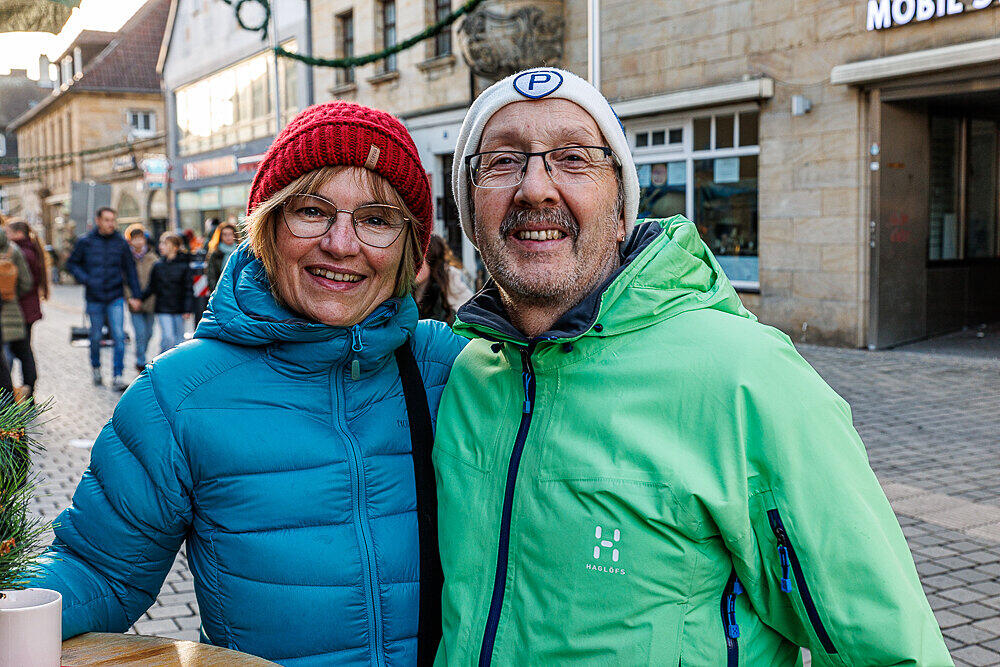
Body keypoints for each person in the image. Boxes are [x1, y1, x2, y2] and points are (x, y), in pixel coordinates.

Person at [433, 68, 952, 665]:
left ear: (622, 208)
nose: (536, 188)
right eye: (503, 161)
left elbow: (884, 646)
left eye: (574, 158)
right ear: (471, 209)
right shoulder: (468, 376)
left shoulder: (747, 378)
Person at [24, 102, 466, 665]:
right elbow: (99, 570)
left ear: (409, 247)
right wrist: (20, 605)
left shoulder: (444, 367)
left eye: (377, 220)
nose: (342, 244)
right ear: (267, 228)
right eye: (312, 211)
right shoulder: (180, 393)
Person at [65, 207, 142, 391]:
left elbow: (130, 270)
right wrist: (86, 279)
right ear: (98, 220)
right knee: (96, 336)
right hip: (94, 297)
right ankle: (96, 367)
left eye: (113, 220)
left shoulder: (121, 243)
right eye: (107, 220)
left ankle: (117, 375)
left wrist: (136, 295)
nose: (110, 224)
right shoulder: (86, 242)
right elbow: (71, 264)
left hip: (115, 296)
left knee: (119, 336)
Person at [5, 220, 47, 401]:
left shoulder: (21, 252)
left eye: (8, 231)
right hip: (26, 309)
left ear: (17, 233)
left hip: (21, 310)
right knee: (23, 351)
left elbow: (25, 283)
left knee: (20, 352)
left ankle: (25, 393)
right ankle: (25, 392)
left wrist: (10, 297)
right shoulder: (30, 249)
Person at [142, 232, 192, 354]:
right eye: (160, 243)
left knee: (179, 341)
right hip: (163, 308)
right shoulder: (158, 266)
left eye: (165, 243)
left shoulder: (184, 266)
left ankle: (177, 366)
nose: (161, 246)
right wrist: (139, 298)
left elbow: (188, 289)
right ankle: (162, 363)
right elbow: (151, 287)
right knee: (168, 337)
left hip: (180, 308)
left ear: (175, 247)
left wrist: (187, 309)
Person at [413, 234, 473, 325]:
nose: (413, 266)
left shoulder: (450, 287)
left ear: (431, 260)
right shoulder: (401, 293)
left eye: (419, 260)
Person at [124, 224, 158, 371]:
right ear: (130, 241)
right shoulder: (127, 258)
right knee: (140, 333)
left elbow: (157, 280)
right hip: (134, 303)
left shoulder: (153, 258)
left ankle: (142, 353)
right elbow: (124, 281)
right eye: (135, 239)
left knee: (150, 332)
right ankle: (140, 360)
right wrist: (130, 298)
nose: (138, 242)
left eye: (140, 239)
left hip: (151, 302)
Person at [205, 219, 240, 293]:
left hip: (239, 291)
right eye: (225, 234)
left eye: (230, 234)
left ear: (235, 235)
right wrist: (216, 293)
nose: (228, 237)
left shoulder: (241, 252)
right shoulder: (215, 254)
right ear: (220, 236)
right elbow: (211, 277)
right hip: (222, 291)